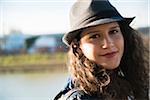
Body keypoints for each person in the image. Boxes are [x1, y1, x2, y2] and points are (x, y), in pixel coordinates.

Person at [54, 0, 149, 100]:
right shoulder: (80, 98)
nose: (108, 43)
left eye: (113, 31)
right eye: (95, 36)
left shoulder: (131, 83)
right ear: (78, 46)